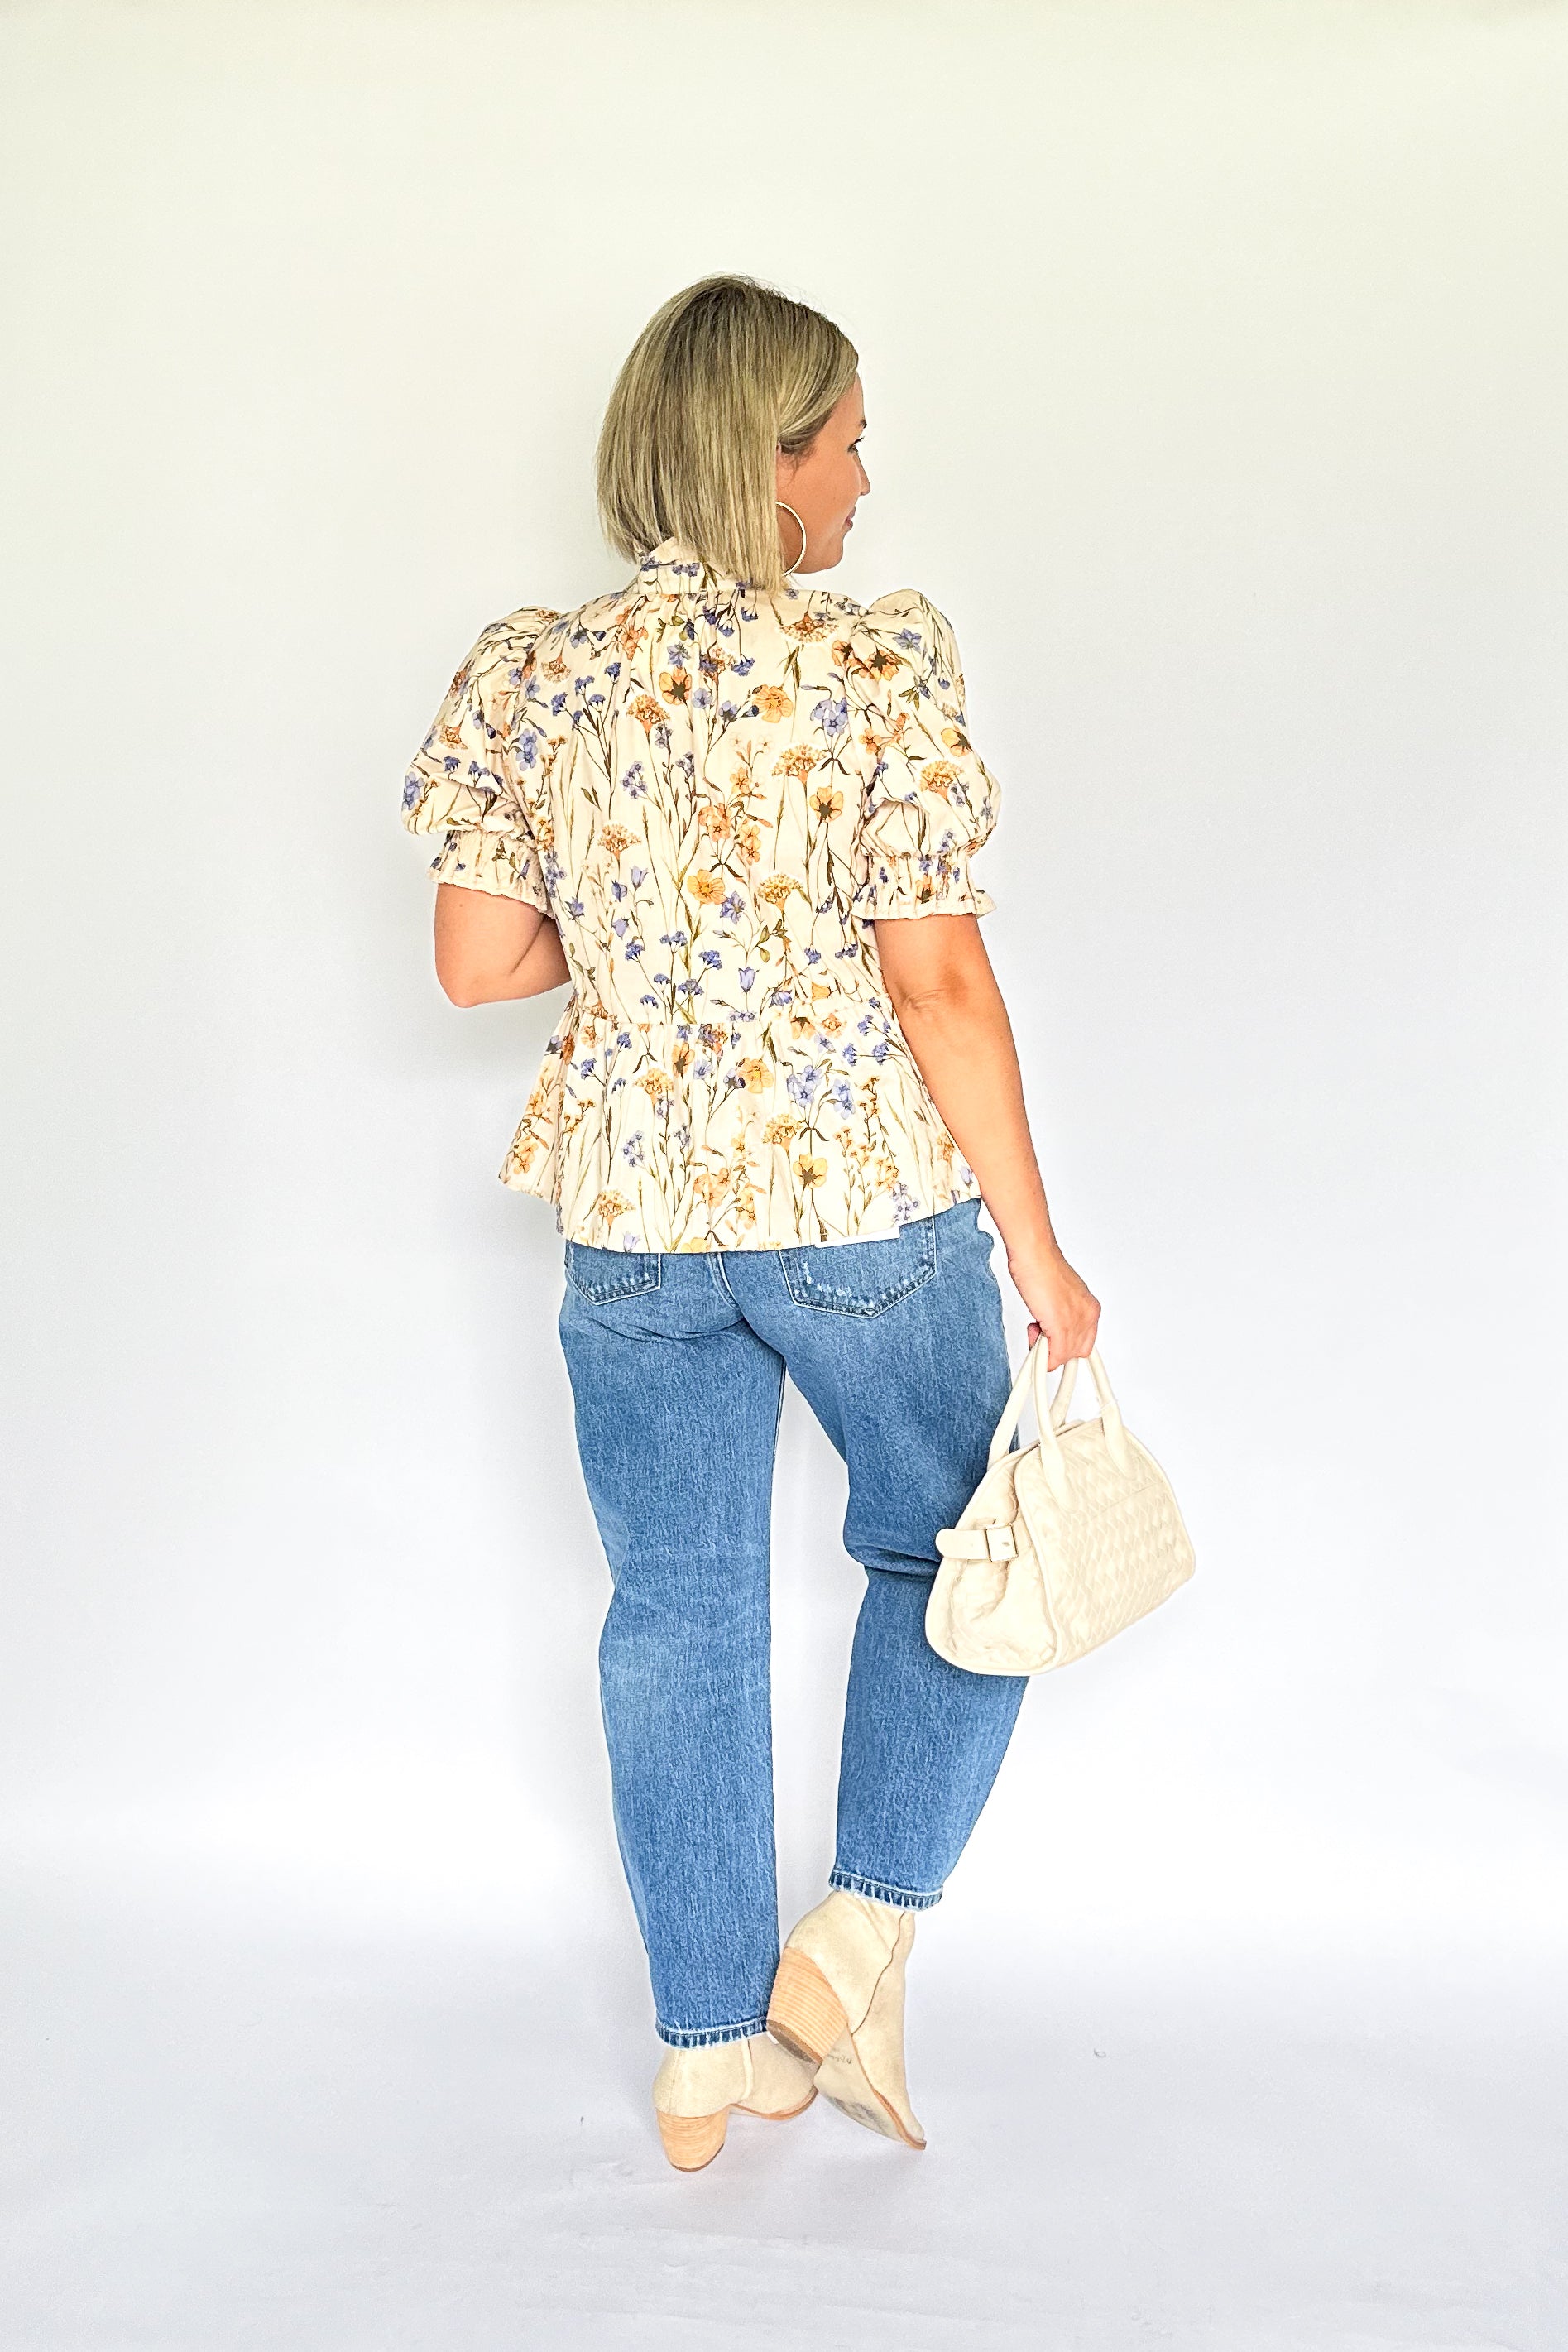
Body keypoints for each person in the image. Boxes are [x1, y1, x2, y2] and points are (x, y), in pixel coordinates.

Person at [400, 275, 1099, 2172]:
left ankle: (708, 2051)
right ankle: (854, 1937)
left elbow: (479, 961)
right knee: (962, 1548)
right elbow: (937, 980)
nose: (867, 476)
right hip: (859, 1207)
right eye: (849, 441)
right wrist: (1040, 1251)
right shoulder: (871, 665)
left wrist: (645, 918)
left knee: (678, 1606)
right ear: (772, 458)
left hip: (635, 1226)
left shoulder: (541, 673)